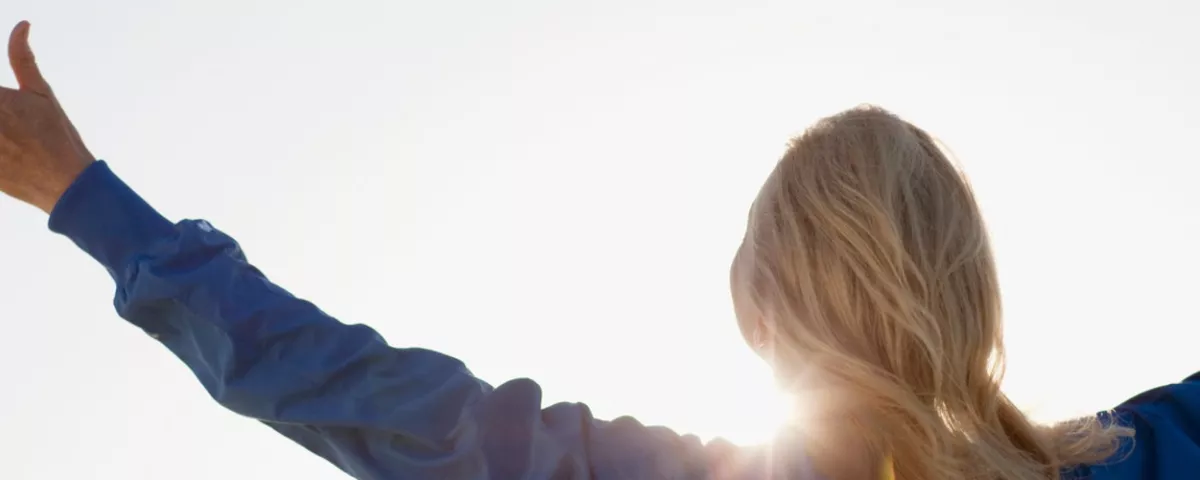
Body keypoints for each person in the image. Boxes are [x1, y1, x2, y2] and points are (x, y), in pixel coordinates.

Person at [2, 20, 1198, 480]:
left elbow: (340, 383)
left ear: (765, 324)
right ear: (970, 288)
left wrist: (85, 198)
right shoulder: (1156, 456)